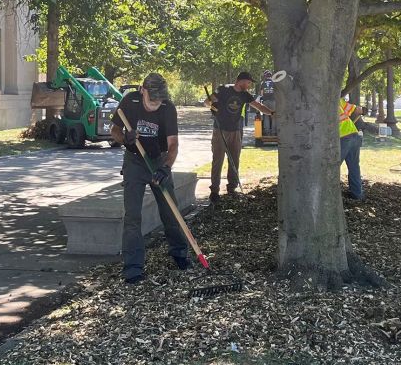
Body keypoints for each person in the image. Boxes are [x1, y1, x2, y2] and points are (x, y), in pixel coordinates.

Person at [110, 73, 191, 284]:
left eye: (159, 100)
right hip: (135, 161)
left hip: (158, 160)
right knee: (133, 216)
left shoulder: (167, 108)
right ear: (142, 90)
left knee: (170, 211)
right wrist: (124, 139)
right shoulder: (130, 101)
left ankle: (180, 253)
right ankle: (133, 268)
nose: (155, 104)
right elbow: (115, 129)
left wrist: (165, 167)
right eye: (151, 99)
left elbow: (173, 144)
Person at [205, 72, 274, 203]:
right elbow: (207, 102)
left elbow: (258, 106)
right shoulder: (223, 89)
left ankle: (232, 188)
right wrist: (213, 106)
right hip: (219, 129)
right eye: (248, 83)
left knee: (234, 160)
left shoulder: (244, 95)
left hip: (235, 130)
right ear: (241, 81)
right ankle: (214, 191)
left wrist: (271, 113)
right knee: (217, 160)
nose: (249, 86)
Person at [340, 98, 364, 200]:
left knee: (332, 166)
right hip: (354, 134)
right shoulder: (338, 99)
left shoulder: (320, 105)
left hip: (342, 137)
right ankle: (357, 194)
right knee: (354, 166)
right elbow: (357, 109)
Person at [259, 70, 276, 136]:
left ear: (265, 76)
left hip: (265, 101)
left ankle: (267, 131)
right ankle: (274, 132)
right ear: (271, 76)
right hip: (273, 101)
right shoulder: (274, 82)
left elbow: (261, 93)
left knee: (266, 116)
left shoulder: (263, 83)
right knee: (273, 116)